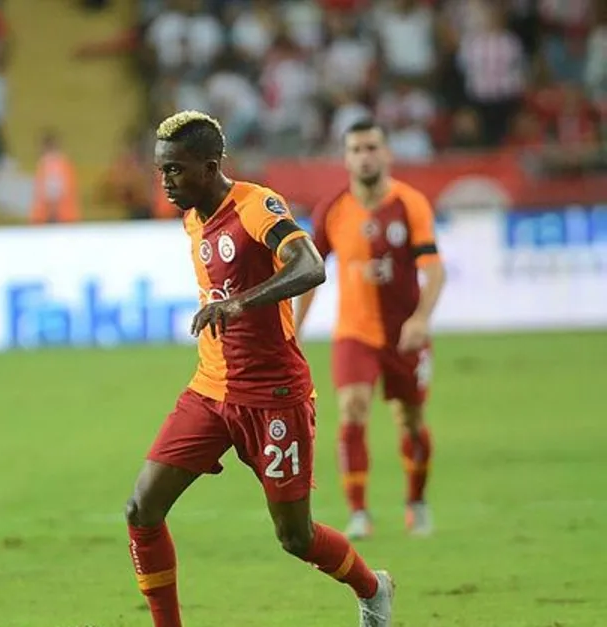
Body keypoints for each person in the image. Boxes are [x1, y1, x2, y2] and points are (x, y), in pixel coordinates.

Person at [126, 110, 395, 627]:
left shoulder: (255, 206)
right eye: (161, 170)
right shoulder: (192, 218)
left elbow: (310, 265)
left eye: (175, 170)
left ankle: (372, 587)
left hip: (274, 396)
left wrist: (239, 303)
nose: (165, 182)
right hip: (210, 392)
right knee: (142, 509)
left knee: (295, 537)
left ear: (209, 167)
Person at [293, 119, 447, 540]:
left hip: (404, 334)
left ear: (387, 153)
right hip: (354, 333)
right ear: (345, 158)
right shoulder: (332, 209)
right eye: (356, 149)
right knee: (352, 408)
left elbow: (434, 271)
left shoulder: (410, 204)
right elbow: (309, 274)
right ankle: (359, 512)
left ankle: (416, 502)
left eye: (371, 148)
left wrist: (421, 319)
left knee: (410, 419)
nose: (364, 157)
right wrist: (294, 330)